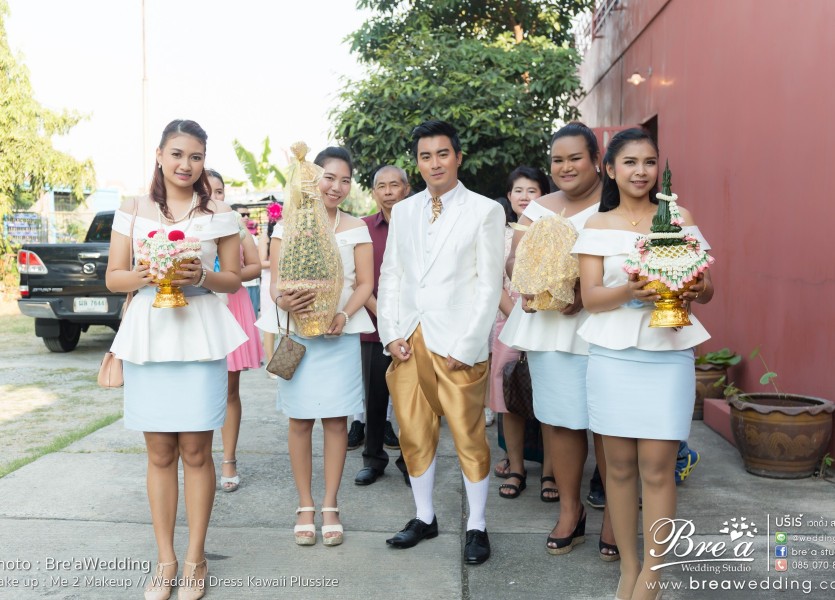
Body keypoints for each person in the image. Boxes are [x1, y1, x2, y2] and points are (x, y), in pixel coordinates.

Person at [106, 119, 246, 600]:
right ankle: (165, 561)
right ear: (160, 155)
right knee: (160, 453)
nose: (186, 165)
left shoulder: (220, 213)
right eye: (178, 154)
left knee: (196, 452)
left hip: (200, 338)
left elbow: (233, 278)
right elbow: (113, 278)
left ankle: (195, 560)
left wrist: (201, 277)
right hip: (149, 338)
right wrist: (145, 275)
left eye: (197, 157)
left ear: (204, 161)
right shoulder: (132, 209)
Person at [574, 128, 713, 600]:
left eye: (649, 162)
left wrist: (694, 289)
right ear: (610, 169)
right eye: (630, 162)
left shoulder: (679, 216)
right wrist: (629, 292)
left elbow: (707, 286)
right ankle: (628, 567)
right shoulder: (597, 225)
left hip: (668, 354)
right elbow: (591, 298)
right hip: (612, 355)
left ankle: (653, 573)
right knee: (618, 467)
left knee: (658, 466)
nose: (641, 171)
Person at [378, 120, 505, 565]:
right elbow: (391, 274)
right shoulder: (407, 210)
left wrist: (469, 345)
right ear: (418, 162)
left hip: (457, 345)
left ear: (458, 157)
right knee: (412, 433)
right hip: (409, 340)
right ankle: (424, 516)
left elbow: (489, 286)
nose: (434, 163)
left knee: (469, 436)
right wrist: (390, 333)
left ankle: (477, 525)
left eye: (442, 154)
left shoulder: (485, 210)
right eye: (425, 156)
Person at [500, 122, 617, 560]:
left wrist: (582, 294)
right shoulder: (540, 207)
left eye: (575, 158)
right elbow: (515, 263)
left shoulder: (616, 204)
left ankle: (614, 517)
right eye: (557, 160)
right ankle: (571, 512)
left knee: (609, 426)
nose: (565, 167)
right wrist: (535, 283)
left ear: (596, 161)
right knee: (561, 422)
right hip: (550, 328)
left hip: (603, 326)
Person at [260, 146, 374, 547]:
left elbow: (364, 283)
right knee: (299, 421)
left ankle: (330, 504)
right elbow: (275, 283)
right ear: (312, 178)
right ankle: (305, 504)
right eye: (329, 177)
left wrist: (343, 315)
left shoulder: (355, 227)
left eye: (345, 180)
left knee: (338, 422)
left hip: (338, 337)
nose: (337, 187)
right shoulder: (287, 226)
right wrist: (283, 301)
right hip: (300, 338)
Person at [488, 166, 558, 503]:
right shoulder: (497, 234)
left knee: (548, 400)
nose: (525, 197)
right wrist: (516, 315)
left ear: (545, 195)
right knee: (509, 401)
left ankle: (550, 471)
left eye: (533, 191)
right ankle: (516, 468)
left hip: (548, 322)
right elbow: (492, 283)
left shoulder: (556, 230)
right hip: (508, 322)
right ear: (509, 195)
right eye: (519, 191)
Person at [206, 169, 265, 493]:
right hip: (198, 308)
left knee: (229, 389)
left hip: (233, 304)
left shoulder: (236, 226)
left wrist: (230, 274)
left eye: (219, 190)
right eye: (208, 191)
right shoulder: (190, 227)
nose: (215, 196)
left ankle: (228, 459)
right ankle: (198, 455)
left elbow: (256, 265)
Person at [353, 165, 410, 485]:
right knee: (374, 398)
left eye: (394, 185)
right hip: (374, 327)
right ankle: (373, 458)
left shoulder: (419, 225)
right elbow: (354, 280)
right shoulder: (362, 229)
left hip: (414, 327)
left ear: (407, 189)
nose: (388, 191)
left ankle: (411, 460)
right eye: (381, 186)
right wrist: (385, 318)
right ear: (373, 193)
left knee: (411, 402)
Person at [259, 203, 281, 377]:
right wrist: (278, 263)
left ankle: (283, 362)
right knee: (269, 324)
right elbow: (260, 262)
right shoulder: (265, 237)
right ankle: (270, 362)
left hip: (284, 282)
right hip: (268, 282)